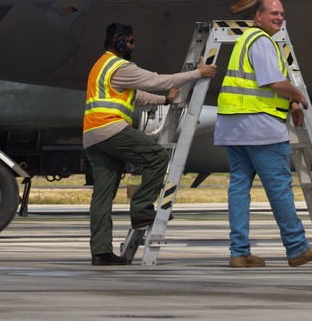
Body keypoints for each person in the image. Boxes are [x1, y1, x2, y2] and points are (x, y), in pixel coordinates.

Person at [214, 0, 312, 268]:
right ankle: (296, 247)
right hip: (260, 128)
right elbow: (273, 81)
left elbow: (260, 83)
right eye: (273, 13)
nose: (279, 18)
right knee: (279, 188)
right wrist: (299, 96)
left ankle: (239, 252)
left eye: (281, 13)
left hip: (234, 127)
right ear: (258, 16)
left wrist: (289, 102)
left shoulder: (244, 40)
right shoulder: (262, 42)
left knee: (239, 189)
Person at [83, 22, 217, 266]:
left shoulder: (101, 65)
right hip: (110, 129)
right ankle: (142, 209)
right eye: (131, 41)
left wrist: (164, 100)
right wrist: (198, 74)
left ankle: (101, 251)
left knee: (102, 195)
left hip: (93, 135)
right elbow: (156, 80)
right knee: (157, 156)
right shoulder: (120, 66)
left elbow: (135, 95)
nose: (134, 46)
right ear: (120, 41)